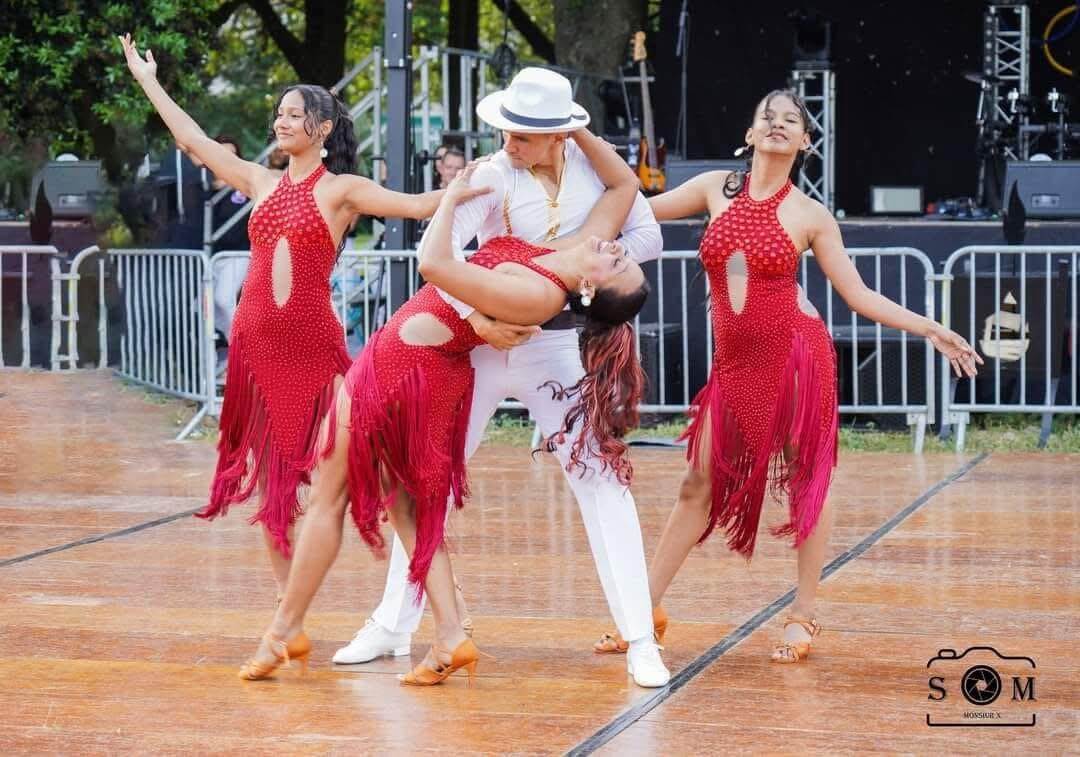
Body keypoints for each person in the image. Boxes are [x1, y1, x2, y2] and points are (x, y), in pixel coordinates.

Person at [238, 140, 650, 684]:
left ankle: (284, 629)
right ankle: (450, 633)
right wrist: (578, 129)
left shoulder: (541, 293)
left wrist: (452, 198)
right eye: (621, 251)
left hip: (402, 369)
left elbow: (433, 263)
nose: (615, 246)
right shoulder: (562, 255)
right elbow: (624, 187)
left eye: (617, 259)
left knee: (329, 494)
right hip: (412, 363)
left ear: (592, 286)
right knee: (407, 507)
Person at [595, 89, 982, 664]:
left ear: (805, 142)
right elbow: (635, 207)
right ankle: (643, 609)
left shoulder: (810, 215)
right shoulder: (713, 189)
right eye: (767, 118)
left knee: (806, 481)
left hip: (797, 357)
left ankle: (803, 613)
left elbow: (859, 294)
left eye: (791, 121)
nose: (777, 125)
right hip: (734, 366)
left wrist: (930, 328)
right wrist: (577, 162)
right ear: (750, 135)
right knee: (696, 483)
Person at [332, 67, 670, 688]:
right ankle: (394, 622)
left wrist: (578, 261)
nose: (508, 142)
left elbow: (645, 234)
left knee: (600, 478)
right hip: (477, 350)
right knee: (425, 482)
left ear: (561, 134)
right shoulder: (492, 173)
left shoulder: (596, 173)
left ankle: (641, 638)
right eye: (506, 130)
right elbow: (446, 251)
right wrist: (478, 320)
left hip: (556, 344)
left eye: (523, 134)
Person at [118, 34, 444, 601]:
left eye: (294, 114)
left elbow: (417, 206)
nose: (281, 122)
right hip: (256, 348)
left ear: (322, 128)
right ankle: (286, 611)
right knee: (273, 484)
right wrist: (149, 81)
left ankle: (433, 588)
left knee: (369, 465)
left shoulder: (342, 190)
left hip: (315, 347)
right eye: (280, 114)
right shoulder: (259, 181)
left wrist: (480, 180)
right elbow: (192, 140)